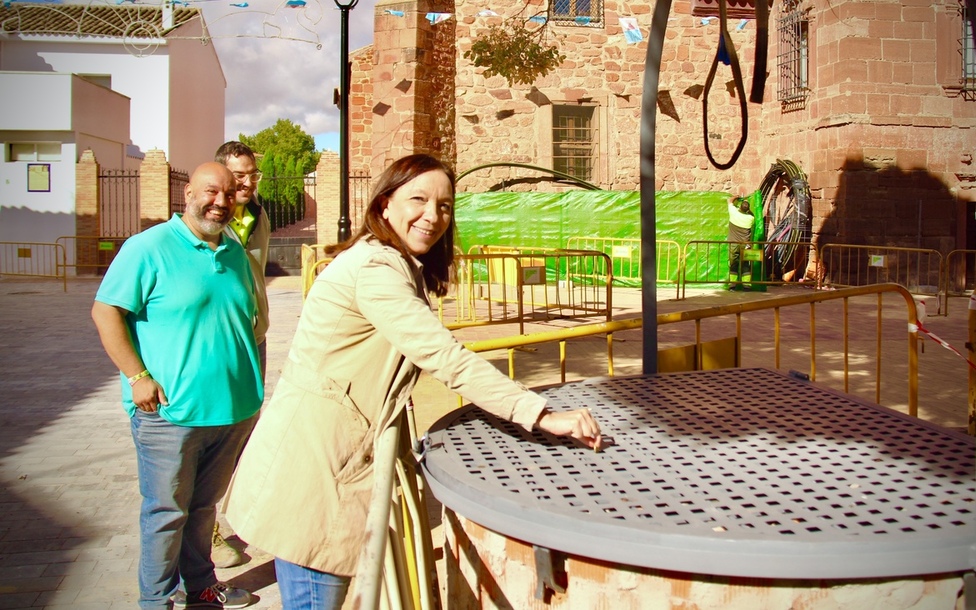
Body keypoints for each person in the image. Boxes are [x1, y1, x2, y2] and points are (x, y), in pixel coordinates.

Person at [225, 154, 602, 610]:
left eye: (445, 206)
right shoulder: (375, 270)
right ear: (385, 204)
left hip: (331, 454)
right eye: (418, 199)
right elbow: (445, 357)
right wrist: (539, 414)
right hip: (318, 465)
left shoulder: (393, 262)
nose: (433, 215)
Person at [91, 162, 263, 610]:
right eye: (211, 192)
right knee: (166, 514)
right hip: (169, 415)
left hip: (233, 411)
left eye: (229, 194)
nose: (220, 202)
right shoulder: (147, 248)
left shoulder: (234, 251)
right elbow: (106, 312)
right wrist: (137, 375)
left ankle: (201, 588)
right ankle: (157, 602)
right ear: (187, 193)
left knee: (204, 511)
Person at [211, 140, 271, 569]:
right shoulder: (208, 223)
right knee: (213, 434)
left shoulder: (258, 215)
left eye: (253, 174)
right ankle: (207, 526)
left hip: (255, 339)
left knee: (244, 430)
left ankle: (233, 511)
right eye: (239, 176)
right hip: (219, 344)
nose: (248, 182)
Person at [728, 195, 755, 290]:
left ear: (739, 207)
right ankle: (746, 286)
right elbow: (752, 214)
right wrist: (748, 209)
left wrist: (736, 196)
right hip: (745, 245)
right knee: (745, 264)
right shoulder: (750, 218)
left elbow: (730, 201)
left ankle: (732, 286)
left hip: (733, 244)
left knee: (733, 264)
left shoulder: (734, 212)